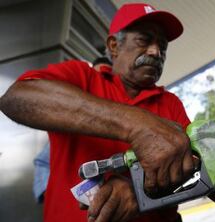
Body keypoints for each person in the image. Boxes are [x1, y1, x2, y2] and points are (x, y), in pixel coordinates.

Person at [0, 3, 194, 222]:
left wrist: (142, 192)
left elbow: (193, 170)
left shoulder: (170, 103)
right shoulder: (82, 77)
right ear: (114, 46)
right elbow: (17, 97)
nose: (155, 51)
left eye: (163, 47)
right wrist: (137, 125)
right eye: (144, 40)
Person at [32, 57, 113, 204]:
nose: (100, 82)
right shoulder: (70, 125)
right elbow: (42, 161)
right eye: (96, 76)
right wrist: (49, 193)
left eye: (106, 76)